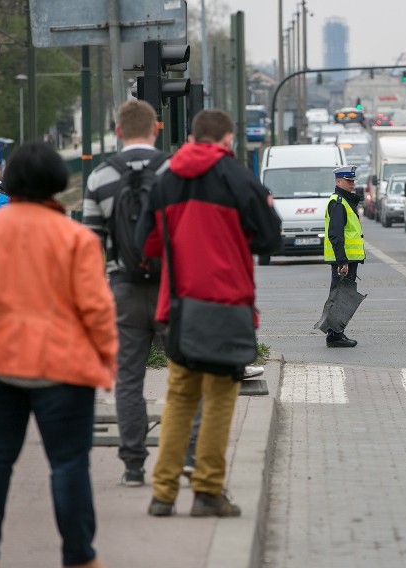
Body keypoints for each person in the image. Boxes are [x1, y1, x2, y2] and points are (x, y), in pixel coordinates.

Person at [0, 142, 117, 568]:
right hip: (62, 369)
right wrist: (107, 363)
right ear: (57, 183)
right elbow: (97, 310)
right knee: (68, 465)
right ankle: (80, 558)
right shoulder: (75, 238)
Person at [137, 108, 281, 518]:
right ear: (228, 140)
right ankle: (207, 492)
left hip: (179, 306)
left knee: (179, 398)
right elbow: (271, 238)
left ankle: (162, 494)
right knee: (219, 400)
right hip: (227, 305)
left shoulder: (164, 180)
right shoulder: (238, 178)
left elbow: (144, 245)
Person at [83, 99, 170, 488]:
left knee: (129, 380)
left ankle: (133, 465)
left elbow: (91, 247)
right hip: (172, 288)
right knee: (186, 374)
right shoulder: (175, 171)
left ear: (118, 131)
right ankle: (186, 457)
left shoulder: (100, 177)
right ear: (157, 128)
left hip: (124, 289)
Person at [324, 165, 365, 348]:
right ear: (338, 181)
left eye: (352, 181)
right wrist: (342, 260)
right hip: (344, 260)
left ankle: (336, 332)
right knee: (340, 296)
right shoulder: (339, 203)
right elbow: (335, 234)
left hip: (347, 259)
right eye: (348, 181)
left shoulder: (345, 202)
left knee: (342, 295)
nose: (351, 184)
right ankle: (335, 335)